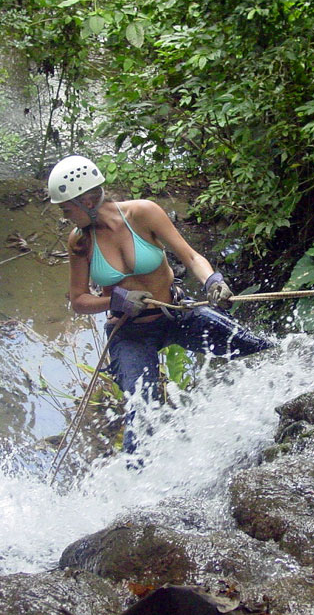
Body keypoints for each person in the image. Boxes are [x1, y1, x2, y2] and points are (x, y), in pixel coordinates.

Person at [49, 155, 274, 454]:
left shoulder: (143, 213)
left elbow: (192, 257)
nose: (65, 217)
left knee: (258, 349)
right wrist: (116, 300)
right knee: (142, 415)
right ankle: (138, 486)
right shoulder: (79, 241)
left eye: (66, 209)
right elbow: (79, 300)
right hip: (130, 333)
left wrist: (213, 283)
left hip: (176, 313)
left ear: (88, 200)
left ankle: (278, 415)